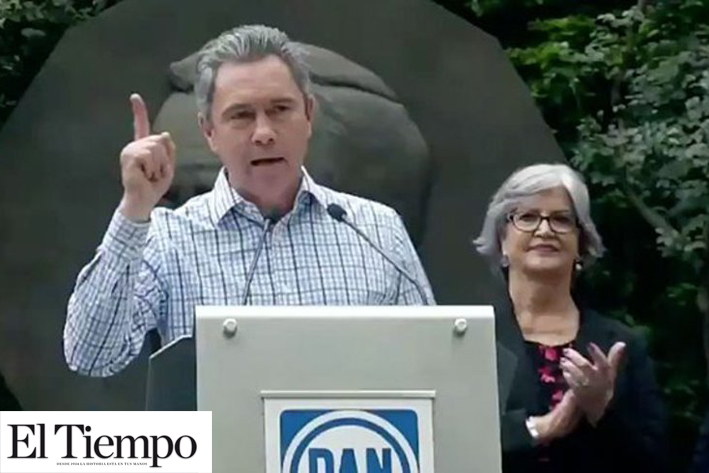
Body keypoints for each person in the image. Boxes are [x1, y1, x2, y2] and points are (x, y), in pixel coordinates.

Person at [63, 24, 434, 378]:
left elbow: (431, 365)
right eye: (241, 116)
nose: (264, 133)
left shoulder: (377, 230)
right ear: (209, 132)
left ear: (308, 115)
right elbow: (91, 356)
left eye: (280, 110)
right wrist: (134, 210)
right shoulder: (168, 238)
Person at [474, 163, 668, 472]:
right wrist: (536, 429)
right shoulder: (471, 340)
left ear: (582, 242)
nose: (544, 230)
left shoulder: (622, 345)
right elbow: (445, 443)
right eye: (527, 217)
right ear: (502, 240)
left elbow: (655, 462)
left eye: (561, 219)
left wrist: (601, 413)